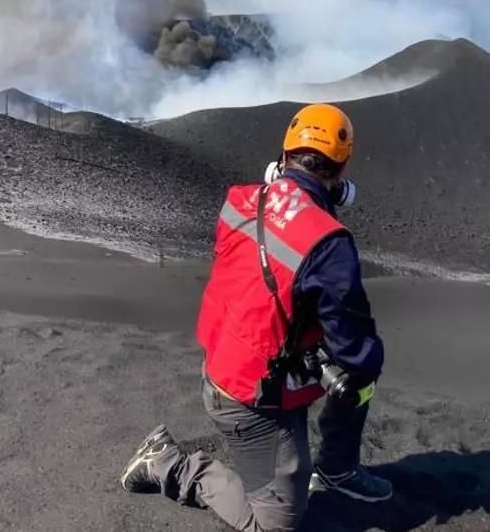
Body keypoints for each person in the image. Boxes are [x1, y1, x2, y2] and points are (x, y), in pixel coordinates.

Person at [120, 102, 390, 531]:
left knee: (348, 367)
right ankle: (169, 464)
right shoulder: (329, 245)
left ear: (283, 158)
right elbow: (359, 354)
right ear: (341, 172)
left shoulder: (239, 201)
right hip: (250, 399)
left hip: (224, 363)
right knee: (278, 524)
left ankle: (336, 469)